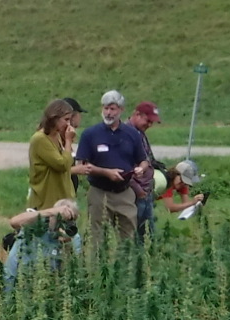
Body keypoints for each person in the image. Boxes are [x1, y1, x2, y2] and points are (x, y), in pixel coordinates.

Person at [74, 90, 143, 240]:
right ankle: (96, 263)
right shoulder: (90, 134)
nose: (108, 113)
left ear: (121, 110)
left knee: (128, 236)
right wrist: (106, 172)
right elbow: (82, 164)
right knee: (96, 236)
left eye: (112, 109)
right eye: (105, 108)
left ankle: (125, 262)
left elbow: (143, 160)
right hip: (99, 192)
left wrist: (140, 169)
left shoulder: (132, 134)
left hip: (124, 192)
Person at [28, 98, 92, 210]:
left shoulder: (56, 135)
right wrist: (68, 141)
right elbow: (62, 164)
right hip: (47, 201)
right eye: (66, 120)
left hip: (63, 198)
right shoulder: (40, 139)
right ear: (54, 118)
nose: (68, 124)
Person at [129, 101, 163, 235]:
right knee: (137, 233)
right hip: (137, 193)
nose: (149, 125)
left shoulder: (140, 132)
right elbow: (125, 166)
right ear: (137, 114)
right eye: (147, 121)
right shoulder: (128, 134)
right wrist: (139, 191)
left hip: (146, 190)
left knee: (149, 233)